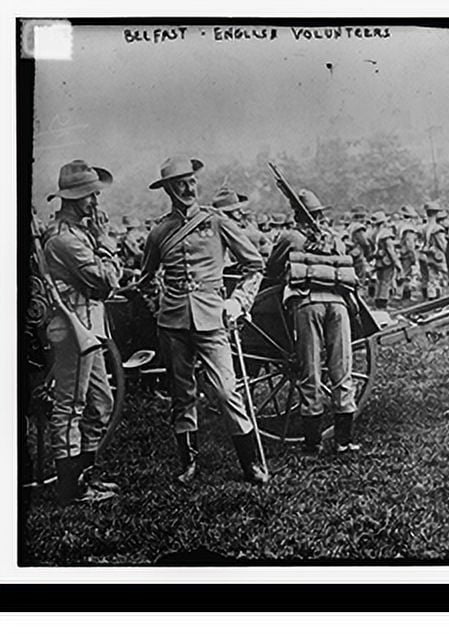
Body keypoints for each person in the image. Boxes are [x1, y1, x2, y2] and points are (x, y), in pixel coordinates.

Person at [140, 156, 269, 485]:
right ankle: (188, 463)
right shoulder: (159, 232)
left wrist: (237, 301)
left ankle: (250, 462)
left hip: (213, 319)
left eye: (191, 181)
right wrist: (158, 306)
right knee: (182, 395)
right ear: (168, 189)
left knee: (226, 391)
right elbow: (146, 279)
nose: (187, 188)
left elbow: (254, 266)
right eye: (179, 183)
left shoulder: (217, 222)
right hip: (172, 323)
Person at [42, 160, 123, 504]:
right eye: (90, 196)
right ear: (73, 199)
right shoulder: (65, 239)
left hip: (90, 327)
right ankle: (69, 487)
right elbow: (107, 280)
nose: (96, 202)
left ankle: (86, 476)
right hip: (72, 328)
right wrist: (105, 242)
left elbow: (107, 282)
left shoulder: (79, 234)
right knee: (70, 406)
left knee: (100, 403)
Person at [270, 189, 361, 454]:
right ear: (320, 214)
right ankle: (344, 441)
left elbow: (272, 270)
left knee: (310, 371)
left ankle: (313, 443)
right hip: (339, 305)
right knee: (342, 369)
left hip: (307, 304)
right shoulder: (334, 238)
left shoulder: (289, 237)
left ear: (296, 214)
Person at [370, 210, 403, 309]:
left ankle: (377, 301)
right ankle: (383, 303)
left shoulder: (374, 234)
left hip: (378, 261)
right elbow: (390, 251)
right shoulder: (386, 234)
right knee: (386, 282)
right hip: (386, 261)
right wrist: (397, 264)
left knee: (379, 282)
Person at [420, 201, 449, 300]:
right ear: (436, 213)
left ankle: (432, 297)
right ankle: (445, 297)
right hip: (438, 257)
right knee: (445, 276)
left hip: (428, 256)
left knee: (432, 278)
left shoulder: (423, 228)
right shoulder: (437, 229)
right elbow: (443, 245)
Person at [397, 205, 421, 301]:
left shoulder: (400, 226)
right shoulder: (409, 229)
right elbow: (410, 243)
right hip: (407, 253)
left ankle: (402, 294)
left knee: (403, 273)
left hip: (401, 252)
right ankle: (405, 295)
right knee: (407, 275)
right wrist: (414, 255)